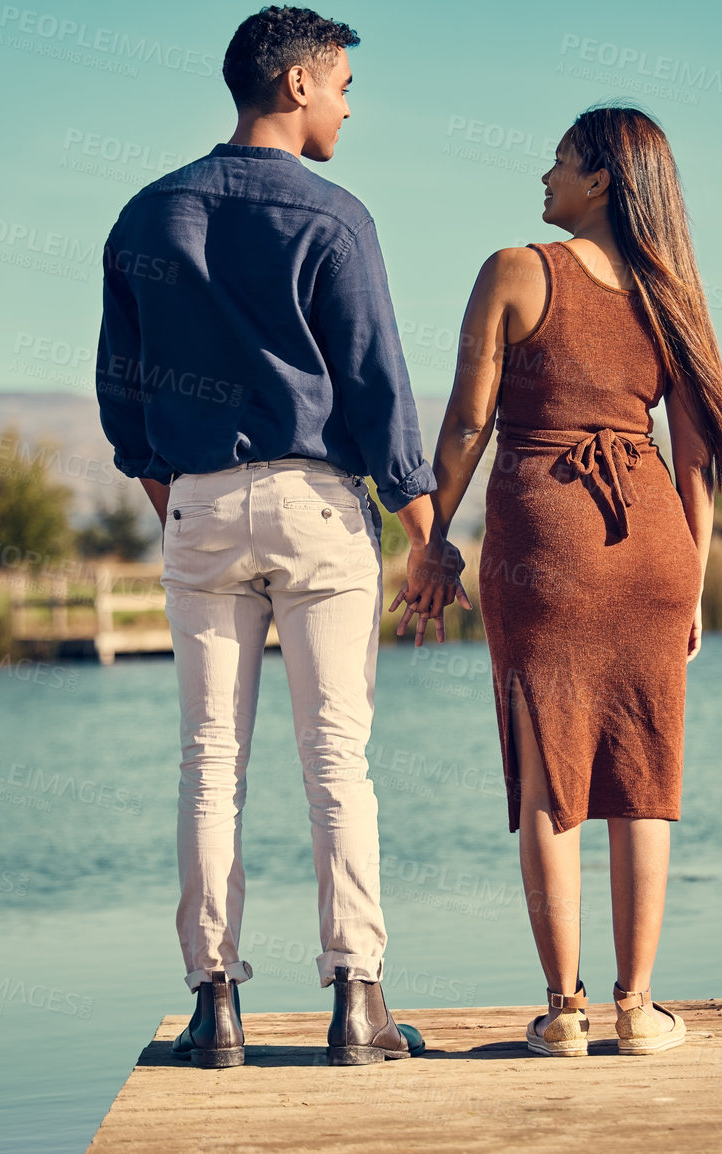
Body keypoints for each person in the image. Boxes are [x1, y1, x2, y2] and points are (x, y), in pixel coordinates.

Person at [95, 6, 460, 1068]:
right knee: (336, 760)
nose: (350, 104)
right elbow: (379, 388)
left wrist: (174, 494)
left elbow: (123, 391)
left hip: (201, 502)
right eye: (343, 83)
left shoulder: (147, 215)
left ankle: (215, 1007)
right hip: (315, 505)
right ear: (297, 84)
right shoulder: (336, 219)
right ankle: (359, 1002)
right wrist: (427, 528)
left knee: (210, 763)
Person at [399, 105, 722, 1058]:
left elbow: (468, 427)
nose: (542, 179)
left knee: (547, 773)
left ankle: (564, 1010)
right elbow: (698, 465)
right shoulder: (670, 292)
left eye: (556, 162)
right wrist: (694, 586)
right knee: (644, 774)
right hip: (654, 546)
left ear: (600, 178)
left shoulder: (517, 270)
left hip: (544, 543)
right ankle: (639, 1011)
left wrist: (432, 543)